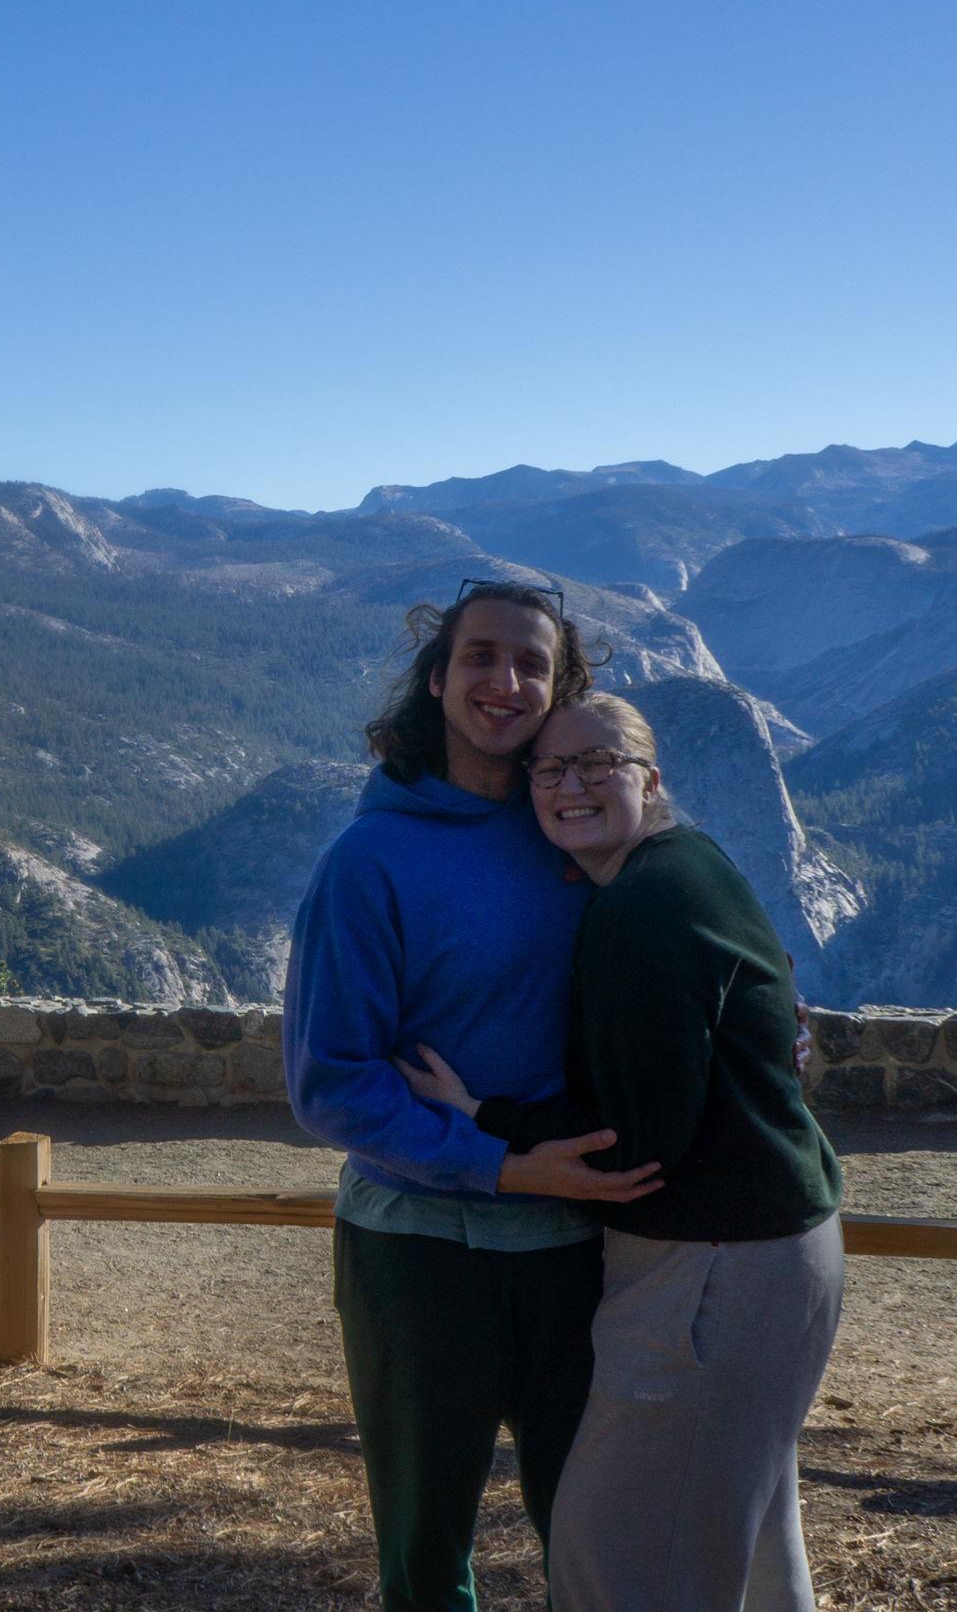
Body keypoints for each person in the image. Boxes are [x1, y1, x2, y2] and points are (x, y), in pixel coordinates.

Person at [400, 691, 844, 1612]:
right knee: (754, 1543)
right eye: (551, 768)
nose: (570, 785)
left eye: (598, 763)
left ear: (651, 778)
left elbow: (633, 1149)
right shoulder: (692, 865)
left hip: (708, 1274)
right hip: (783, 1251)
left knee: (617, 1560)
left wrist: (487, 1118)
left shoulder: (638, 909)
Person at [283, 583, 664, 1612]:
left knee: (588, 1536)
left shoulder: (573, 828)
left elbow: (675, 950)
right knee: (426, 1555)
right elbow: (329, 1083)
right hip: (419, 1255)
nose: (504, 681)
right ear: (437, 677)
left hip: (572, 1246)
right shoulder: (367, 862)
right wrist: (498, 1162)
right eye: (479, 656)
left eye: (531, 664)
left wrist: (769, 1016)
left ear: (562, 689)